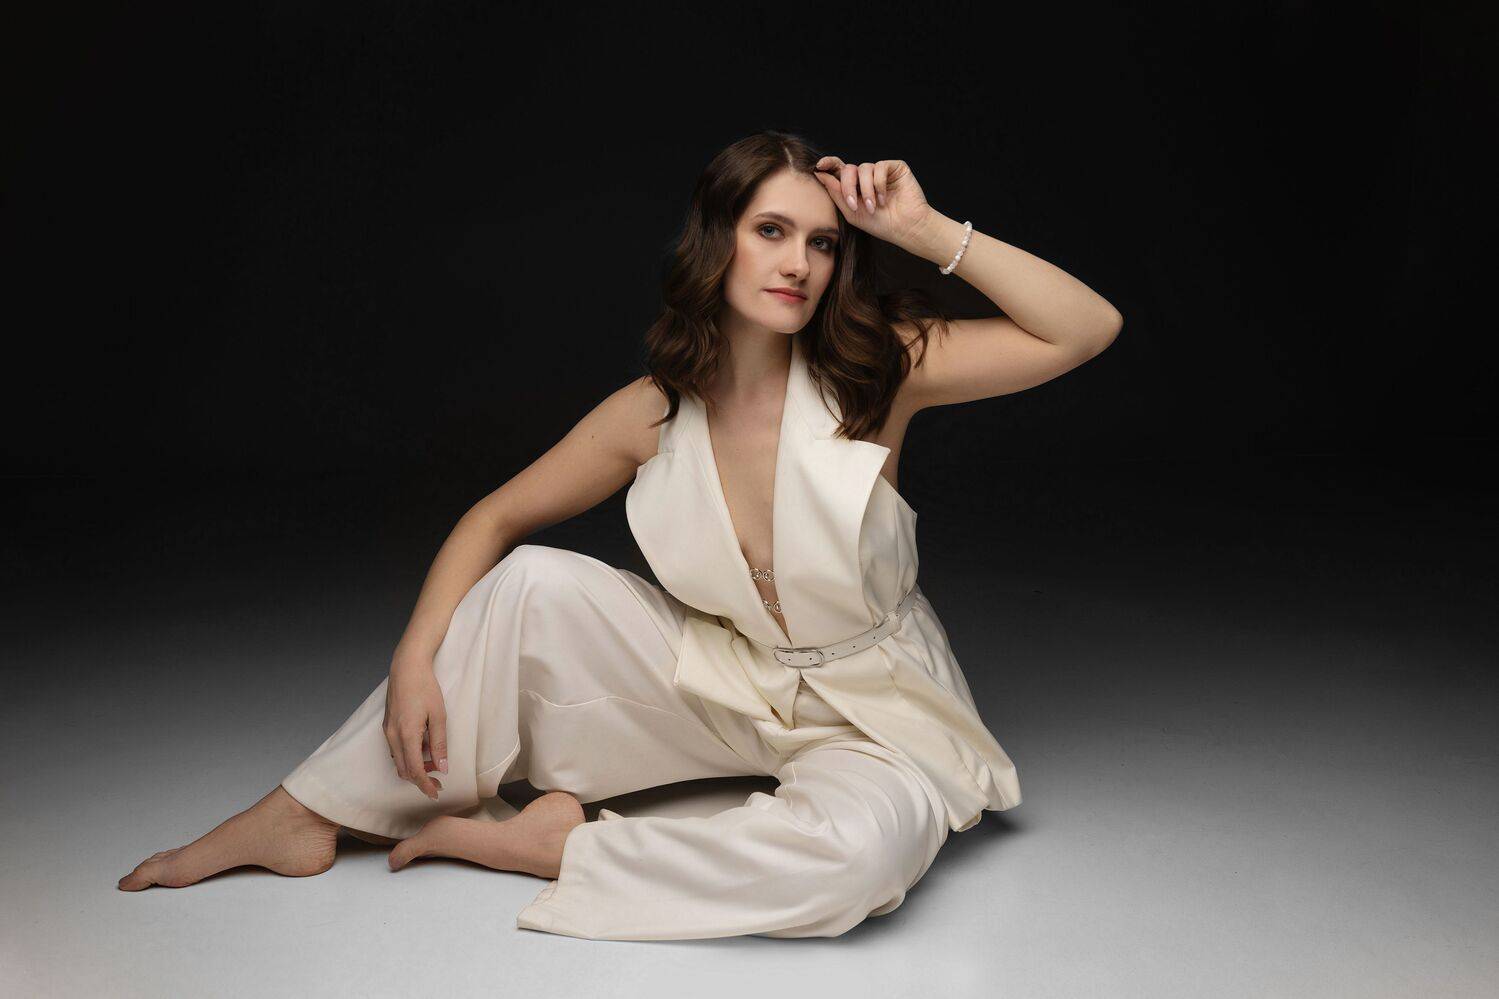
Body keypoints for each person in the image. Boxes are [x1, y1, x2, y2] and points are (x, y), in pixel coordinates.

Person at [118, 130, 1123, 940]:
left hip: (875, 710)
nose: (798, 263)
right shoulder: (650, 412)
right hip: (732, 680)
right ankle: (304, 812)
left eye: (821, 243)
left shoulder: (877, 370)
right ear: (719, 240)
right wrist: (414, 656)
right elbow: (494, 516)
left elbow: (1085, 328)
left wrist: (921, 227)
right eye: (772, 231)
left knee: (852, 864)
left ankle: (559, 847)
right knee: (532, 581)